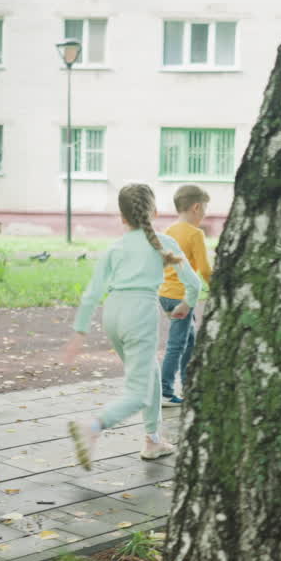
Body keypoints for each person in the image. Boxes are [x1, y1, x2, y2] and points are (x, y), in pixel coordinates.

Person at [61, 184, 202, 471]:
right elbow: (195, 284)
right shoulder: (163, 242)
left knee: (148, 372)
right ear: (155, 212)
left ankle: (152, 441)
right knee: (138, 391)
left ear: (122, 217)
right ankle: (93, 427)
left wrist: (79, 333)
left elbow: (91, 294)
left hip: (112, 313)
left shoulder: (116, 248)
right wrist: (187, 303)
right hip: (140, 314)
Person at [157, 185, 213, 407]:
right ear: (196, 207)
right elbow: (206, 269)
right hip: (182, 297)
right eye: (205, 209)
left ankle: (189, 386)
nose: (205, 214)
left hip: (166, 294)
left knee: (189, 341)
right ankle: (166, 392)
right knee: (177, 344)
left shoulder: (169, 231)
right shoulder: (196, 234)